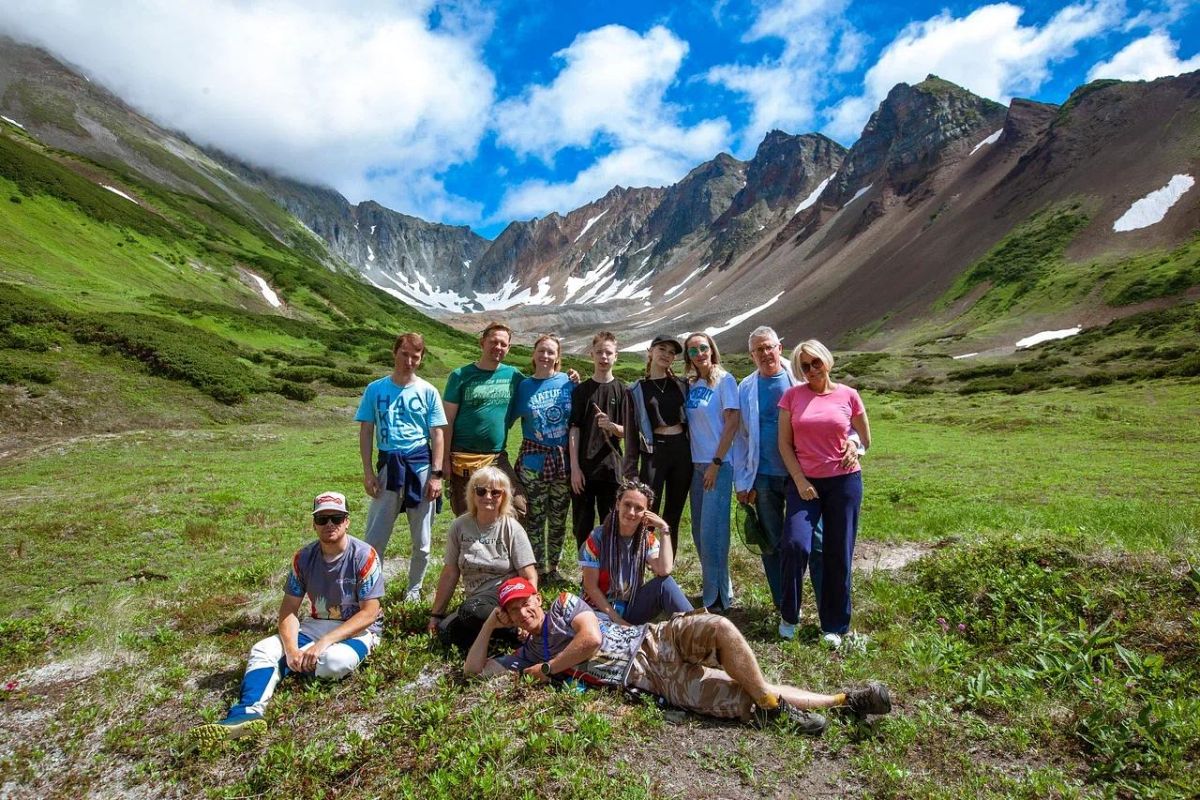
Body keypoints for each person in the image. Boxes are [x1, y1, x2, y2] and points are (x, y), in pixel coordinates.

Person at [465, 577, 892, 735]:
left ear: (537, 598)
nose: (524, 610)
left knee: (719, 627)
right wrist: (489, 626)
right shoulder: (523, 653)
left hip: (655, 640)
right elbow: (475, 672)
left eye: (526, 601)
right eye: (514, 609)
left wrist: (548, 668)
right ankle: (843, 702)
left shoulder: (562, 604)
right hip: (651, 681)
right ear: (509, 616)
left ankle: (775, 701)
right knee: (742, 699)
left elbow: (590, 640)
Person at [190, 492, 383, 743]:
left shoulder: (365, 555)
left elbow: (369, 613)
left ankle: (283, 670)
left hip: (357, 630)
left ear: (347, 521)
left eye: (336, 518)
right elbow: (289, 610)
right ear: (314, 524)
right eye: (322, 519)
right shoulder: (303, 558)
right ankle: (246, 713)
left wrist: (323, 643)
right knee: (263, 649)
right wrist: (291, 650)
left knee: (335, 662)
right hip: (316, 624)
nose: (329, 524)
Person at [734, 327, 859, 638]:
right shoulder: (745, 387)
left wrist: (854, 443)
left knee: (815, 544)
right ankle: (785, 606)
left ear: (780, 347)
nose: (765, 354)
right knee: (773, 543)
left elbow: (839, 420)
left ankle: (825, 609)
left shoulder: (801, 377)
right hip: (762, 476)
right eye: (758, 350)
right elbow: (742, 437)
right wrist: (742, 480)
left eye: (769, 347)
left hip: (802, 477)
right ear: (751, 355)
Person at [778, 340, 871, 649]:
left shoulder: (849, 395)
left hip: (844, 482)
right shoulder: (792, 397)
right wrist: (799, 480)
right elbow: (784, 444)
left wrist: (854, 445)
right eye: (804, 366)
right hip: (804, 484)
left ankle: (834, 625)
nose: (811, 370)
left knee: (838, 551)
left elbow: (865, 438)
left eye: (815, 362)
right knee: (795, 544)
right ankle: (789, 615)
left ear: (826, 360)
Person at [355, 331, 447, 602]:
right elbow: (366, 430)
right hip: (389, 465)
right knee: (375, 537)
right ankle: (372, 592)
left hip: (420, 466)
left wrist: (437, 475)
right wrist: (369, 472)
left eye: (415, 357)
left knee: (422, 539)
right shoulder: (375, 389)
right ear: (394, 353)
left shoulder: (428, 391)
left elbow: (437, 434)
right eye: (404, 354)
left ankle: (414, 590)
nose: (409, 361)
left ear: (421, 358)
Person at [426, 467, 538, 651]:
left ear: (504, 496)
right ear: (472, 493)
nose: (488, 496)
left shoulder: (512, 528)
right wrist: (436, 615)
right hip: (477, 599)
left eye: (495, 492)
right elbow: (450, 572)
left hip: (506, 595)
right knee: (446, 631)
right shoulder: (459, 526)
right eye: (481, 491)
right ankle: (504, 635)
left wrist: (527, 610)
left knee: (469, 611)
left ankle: (515, 630)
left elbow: (529, 575)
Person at [443, 322, 527, 518]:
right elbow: (447, 421)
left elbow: (539, 385)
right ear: (482, 343)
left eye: (503, 344)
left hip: (496, 457)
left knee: (518, 507)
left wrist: (568, 379)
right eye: (493, 342)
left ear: (509, 348)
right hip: (463, 457)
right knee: (467, 515)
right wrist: (444, 460)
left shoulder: (514, 375)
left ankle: (500, 539)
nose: (498, 347)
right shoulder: (460, 376)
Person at [579, 479, 692, 625]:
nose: (631, 512)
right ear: (617, 504)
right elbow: (590, 587)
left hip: (630, 608)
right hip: (598, 611)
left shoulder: (646, 539)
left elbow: (664, 570)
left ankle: (697, 628)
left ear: (647, 513)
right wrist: (618, 621)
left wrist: (664, 529)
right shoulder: (597, 538)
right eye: (627, 504)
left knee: (665, 584)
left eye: (639, 508)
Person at [682, 332, 740, 613]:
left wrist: (716, 463)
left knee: (713, 532)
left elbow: (732, 422)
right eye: (692, 351)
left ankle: (716, 599)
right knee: (698, 531)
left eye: (703, 348)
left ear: (712, 350)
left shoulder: (725, 380)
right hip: (696, 466)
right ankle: (717, 588)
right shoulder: (692, 384)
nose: (699, 354)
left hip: (717, 465)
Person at [514, 334, 574, 582]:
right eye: (541, 351)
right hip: (533, 464)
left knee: (558, 519)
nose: (545, 356)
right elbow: (506, 420)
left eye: (551, 352)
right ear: (533, 354)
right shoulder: (523, 387)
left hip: (563, 463)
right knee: (535, 519)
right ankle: (536, 570)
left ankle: (554, 569)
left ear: (557, 357)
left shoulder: (568, 382)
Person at [623, 335, 690, 555]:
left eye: (672, 352)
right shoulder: (636, 390)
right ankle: (642, 562)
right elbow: (631, 434)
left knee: (673, 515)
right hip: (654, 453)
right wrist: (630, 471)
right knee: (647, 513)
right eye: (662, 349)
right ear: (650, 352)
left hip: (682, 451)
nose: (667, 355)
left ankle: (667, 565)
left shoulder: (682, 385)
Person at [569, 331, 627, 549]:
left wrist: (612, 426)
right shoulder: (581, 391)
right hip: (584, 469)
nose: (604, 357)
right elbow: (574, 429)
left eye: (608, 353)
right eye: (600, 352)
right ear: (591, 354)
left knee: (611, 523)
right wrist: (574, 468)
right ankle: (585, 565)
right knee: (582, 524)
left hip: (612, 469)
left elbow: (628, 432)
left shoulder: (623, 390)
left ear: (616, 357)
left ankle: (608, 565)